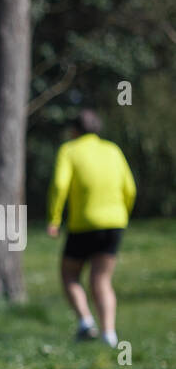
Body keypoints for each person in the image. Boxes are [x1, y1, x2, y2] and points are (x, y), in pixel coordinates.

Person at [47, 108, 136, 348]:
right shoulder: (113, 150)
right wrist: (122, 213)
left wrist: (54, 219)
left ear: (74, 130)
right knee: (102, 279)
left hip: (83, 224)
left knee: (69, 274)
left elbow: (59, 184)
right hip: (115, 223)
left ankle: (86, 322)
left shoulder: (69, 150)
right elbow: (130, 188)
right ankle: (109, 334)